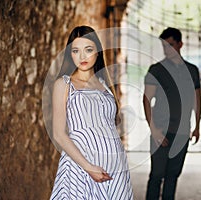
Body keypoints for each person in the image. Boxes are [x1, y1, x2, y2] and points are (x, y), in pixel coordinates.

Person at [50, 25, 134, 200]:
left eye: (88, 49)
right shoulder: (64, 84)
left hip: (115, 167)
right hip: (81, 167)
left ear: (98, 51)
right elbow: (58, 134)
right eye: (75, 51)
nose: (82, 56)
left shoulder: (104, 84)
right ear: (69, 54)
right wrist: (88, 167)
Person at [143, 27, 201, 200]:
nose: (167, 49)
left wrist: (197, 126)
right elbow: (146, 100)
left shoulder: (192, 71)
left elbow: (196, 101)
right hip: (161, 131)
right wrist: (154, 130)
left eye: (170, 45)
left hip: (182, 132)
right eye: (164, 46)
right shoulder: (156, 70)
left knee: (172, 176)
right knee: (156, 176)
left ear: (180, 44)